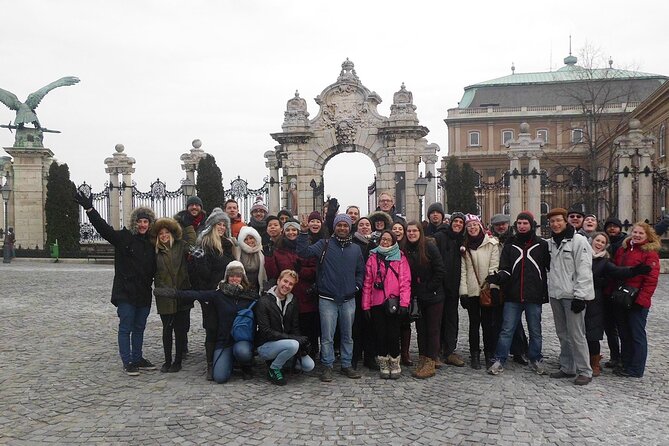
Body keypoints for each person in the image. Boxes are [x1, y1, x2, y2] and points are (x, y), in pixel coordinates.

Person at [75, 191, 157, 376]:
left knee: (139, 328)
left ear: (150, 224)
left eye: (146, 222)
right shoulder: (123, 237)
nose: (143, 225)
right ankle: (127, 361)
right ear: (134, 222)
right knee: (126, 326)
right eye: (140, 221)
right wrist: (89, 209)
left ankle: (138, 358)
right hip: (125, 292)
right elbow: (104, 229)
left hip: (144, 292)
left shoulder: (152, 243)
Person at [155, 261, 258, 383]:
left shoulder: (249, 295)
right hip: (224, 341)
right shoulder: (218, 294)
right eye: (232, 275)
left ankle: (245, 366)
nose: (235, 279)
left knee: (243, 352)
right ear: (227, 277)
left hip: (241, 340)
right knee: (220, 377)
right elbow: (197, 294)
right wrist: (173, 293)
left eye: (238, 276)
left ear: (243, 278)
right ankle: (229, 362)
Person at [297, 213, 365, 382]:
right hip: (327, 298)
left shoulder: (356, 249)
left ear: (350, 228)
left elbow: (360, 271)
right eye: (339, 225)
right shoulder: (324, 244)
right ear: (334, 227)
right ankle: (327, 365)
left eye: (345, 225)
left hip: (348, 298)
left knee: (347, 335)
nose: (342, 228)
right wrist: (304, 233)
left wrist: (356, 286)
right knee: (327, 336)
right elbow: (304, 252)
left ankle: (346, 364)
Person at [485, 211, 550, 376]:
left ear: (531, 225)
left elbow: (549, 268)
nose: (522, 226)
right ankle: (500, 359)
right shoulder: (510, 244)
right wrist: (497, 278)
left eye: (525, 223)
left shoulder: (541, 245)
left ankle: (535, 358)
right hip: (513, 295)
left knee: (535, 330)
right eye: (519, 223)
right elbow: (506, 269)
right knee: (507, 329)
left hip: (533, 295)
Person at [588, 232, 650, 377]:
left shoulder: (605, 261)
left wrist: (634, 271)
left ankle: (596, 362)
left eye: (602, 242)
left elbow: (617, 271)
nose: (599, 244)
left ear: (606, 246)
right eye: (597, 240)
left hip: (599, 300)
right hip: (580, 298)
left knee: (594, 332)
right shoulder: (582, 255)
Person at [545, 207, 595, 386]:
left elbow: (584, 270)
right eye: (552, 221)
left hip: (573, 295)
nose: (555, 224)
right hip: (556, 294)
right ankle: (567, 367)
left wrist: (580, 296)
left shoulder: (578, 241)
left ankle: (585, 370)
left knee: (577, 334)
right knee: (562, 333)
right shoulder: (550, 243)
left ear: (565, 221)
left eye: (559, 220)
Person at [191, 207, 236, 380]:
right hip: (211, 294)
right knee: (211, 328)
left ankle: (227, 360)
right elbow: (201, 275)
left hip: (227, 294)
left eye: (225, 224)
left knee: (226, 327)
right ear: (211, 226)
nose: (222, 227)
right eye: (219, 223)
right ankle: (211, 364)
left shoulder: (227, 245)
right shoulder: (204, 246)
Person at [612, 222, 660, 378]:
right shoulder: (624, 249)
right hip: (622, 297)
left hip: (637, 300)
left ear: (647, 236)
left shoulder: (650, 253)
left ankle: (636, 368)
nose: (637, 235)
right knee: (624, 333)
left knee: (637, 335)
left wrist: (641, 300)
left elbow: (651, 280)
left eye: (641, 233)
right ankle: (626, 363)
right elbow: (617, 270)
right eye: (635, 232)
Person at [265, 220, 319, 359]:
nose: (291, 232)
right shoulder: (278, 251)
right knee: (290, 326)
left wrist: (301, 271)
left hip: (305, 296)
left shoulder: (308, 248)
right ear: (284, 232)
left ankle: (310, 353)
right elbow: (273, 274)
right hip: (288, 295)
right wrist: (269, 257)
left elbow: (314, 271)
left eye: (294, 230)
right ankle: (291, 356)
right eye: (288, 230)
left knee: (308, 327)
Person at [361, 230, 411, 379]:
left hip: (393, 301)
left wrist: (404, 303)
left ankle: (394, 361)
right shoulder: (372, 257)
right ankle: (383, 361)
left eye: (388, 240)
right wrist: (365, 305)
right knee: (380, 334)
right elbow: (367, 282)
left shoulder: (400, 257)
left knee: (394, 334)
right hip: (376, 302)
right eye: (383, 239)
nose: (385, 242)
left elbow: (405, 281)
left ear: (393, 241)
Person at [256, 269, 316, 385]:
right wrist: (292, 340)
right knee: (293, 344)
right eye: (285, 281)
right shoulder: (264, 301)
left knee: (309, 365)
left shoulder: (293, 301)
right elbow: (265, 331)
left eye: (291, 284)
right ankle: (274, 369)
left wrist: (301, 346)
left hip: (286, 344)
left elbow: (295, 327)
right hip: (265, 345)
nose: (287, 286)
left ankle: (282, 362)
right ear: (278, 281)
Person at [151, 217, 196, 373]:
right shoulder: (155, 251)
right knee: (167, 329)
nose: (164, 235)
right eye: (161, 233)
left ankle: (177, 360)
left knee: (180, 329)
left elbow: (193, 246)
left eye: (167, 232)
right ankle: (167, 360)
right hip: (164, 295)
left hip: (181, 293)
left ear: (172, 233)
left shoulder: (180, 246)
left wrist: (188, 225)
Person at [459, 214, 501, 370]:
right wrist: (463, 292)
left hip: (486, 290)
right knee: (473, 324)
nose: (472, 228)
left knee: (488, 325)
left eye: (475, 225)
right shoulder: (464, 246)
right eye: (469, 226)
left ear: (480, 226)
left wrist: (493, 287)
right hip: (471, 291)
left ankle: (489, 354)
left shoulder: (491, 244)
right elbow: (463, 271)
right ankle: (474, 354)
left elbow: (494, 267)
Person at [404, 222, 445, 379]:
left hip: (433, 295)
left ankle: (431, 361)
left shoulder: (429, 246)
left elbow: (440, 269)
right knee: (421, 329)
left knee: (433, 329)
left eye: (415, 231)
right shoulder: (405, 248)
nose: (412, 233)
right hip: (417, 296)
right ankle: (422, 357)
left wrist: (429, 287)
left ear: (420, 232)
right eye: (409, 231)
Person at [490, 213, 529, 365]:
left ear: (508, 225)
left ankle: (519, 351)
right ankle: (496, 350)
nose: (500, 227)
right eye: (497, 225)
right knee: (496, 320)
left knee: (515, 321)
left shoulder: (515, 241)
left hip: (512, 284)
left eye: (503, 224)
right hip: (495, 283)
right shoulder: (491, 241)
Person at [432, 211, 466, 367]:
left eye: (461, 222)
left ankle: (450, 350)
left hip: (454, 286)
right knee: (437, 319)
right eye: (456, 221)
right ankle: (436, 351)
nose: (458, 224)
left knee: (452, 319)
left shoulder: (463, 240)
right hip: (440, 285)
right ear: (450, 222)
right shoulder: (440, 237)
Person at [174, 195, 206, 355]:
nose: (194, 207)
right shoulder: (178, 223)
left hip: (201, 272)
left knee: (208, 310)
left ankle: (210, 343)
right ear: (187, 207)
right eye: (191, 205)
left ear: (201, 207)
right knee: (183, 311)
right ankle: (182, 345)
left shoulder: (207, 222)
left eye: (197, 205)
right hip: (184, 271)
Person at [351, 216, 377, 370]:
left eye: (367, 224)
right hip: (357, 288)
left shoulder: (375, 244)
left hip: (372, 290)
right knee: (356, 325)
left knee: (370, 324)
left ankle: (370, 357)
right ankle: (354, 357)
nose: (364, 227)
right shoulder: (352, 243)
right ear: (357, 228)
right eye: (361, 225)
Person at [602, 216, 626, 368]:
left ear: (620, 228)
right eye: (609, 226)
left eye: (615, 226)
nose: (612, 228)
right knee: (609, 327)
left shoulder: (625, 244)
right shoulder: (603, 243)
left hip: (619, 290)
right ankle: (614, 356)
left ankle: (624, 358)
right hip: (606, 291)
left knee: (622, 327)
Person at [391, 220, 412, 366]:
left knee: (405, 323)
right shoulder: (386, 245)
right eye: (394, 228)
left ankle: (405, 352)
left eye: (400, 229)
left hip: (407, 287)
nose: (397, 231)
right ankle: (394, 351)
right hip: (391, 291)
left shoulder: (408, 247)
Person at [236, 226, 267, 294]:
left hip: (257, 286)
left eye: (251, 238)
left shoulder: (261, 251)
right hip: (241, 287)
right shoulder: (237, 251)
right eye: (246, 239)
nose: (249, 241)